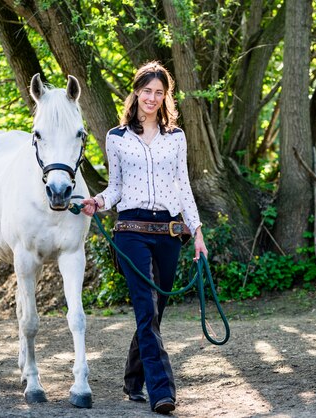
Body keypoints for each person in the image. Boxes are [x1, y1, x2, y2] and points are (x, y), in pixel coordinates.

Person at [81, 61, 208, 414]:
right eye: (147, 91)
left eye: (159, 92)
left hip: (168, 232)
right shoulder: (116, 137)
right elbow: (117, 188)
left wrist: (196, 232)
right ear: (136, 92)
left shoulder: (176, 138)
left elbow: (184, 187)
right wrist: (98, 201)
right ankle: (162, 391)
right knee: (145, 307)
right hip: (131, 231)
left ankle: (133, 379)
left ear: (165, 97)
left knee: (155, 311)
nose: (152, 98)